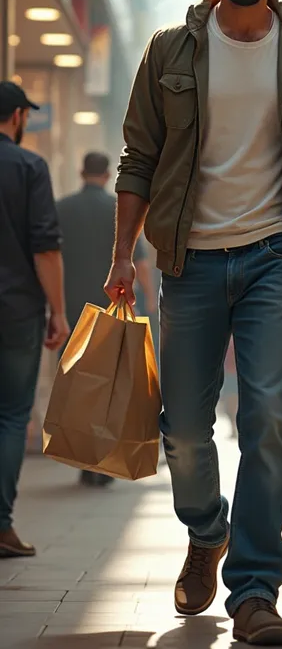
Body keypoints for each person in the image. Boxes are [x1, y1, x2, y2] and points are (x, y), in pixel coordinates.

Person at [105, 0, 282, 646]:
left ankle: (254, 589)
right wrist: (123, 256)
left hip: (274, 260)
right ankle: (205, 529)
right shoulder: (169, 52)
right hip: (187, 263)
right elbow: (139, 160)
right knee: (183, 430)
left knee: (264, 423)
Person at [57, 151, 156, 487]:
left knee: (79, 386)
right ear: (107, 174)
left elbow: (51, 255)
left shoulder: (63, 209)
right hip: (115, 308)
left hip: (73, 312)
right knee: (112, 386)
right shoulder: (118, 213)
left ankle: (84, 459)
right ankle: (106, 458)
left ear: (81, 171)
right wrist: (148, 301)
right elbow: (139, 262)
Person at [0, 81, 69, 558]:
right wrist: (58, 312)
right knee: (9, 415)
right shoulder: (28, 167)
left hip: (18, 310)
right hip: (16, 310)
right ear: (18, 117)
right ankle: (0, 524)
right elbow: (45, 246)